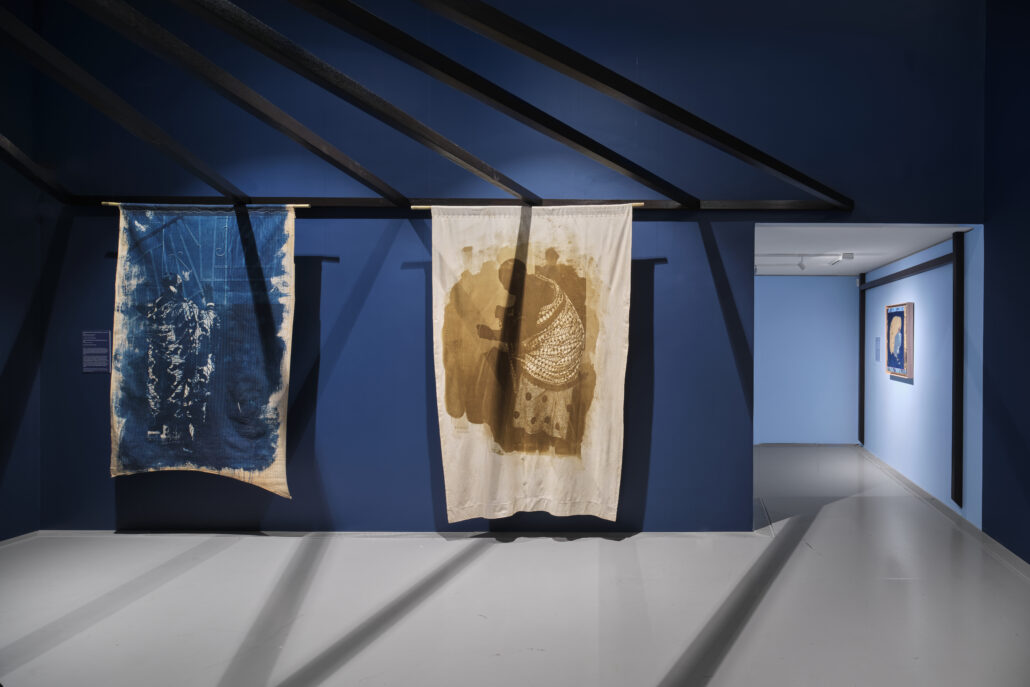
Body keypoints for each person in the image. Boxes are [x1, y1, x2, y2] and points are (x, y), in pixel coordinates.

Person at [474, 258, 585, 452]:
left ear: (518, 276)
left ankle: (517, 430)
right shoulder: (531, 282)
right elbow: (526, 314)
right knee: (499, 356)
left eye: (507, 283)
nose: (506, 289)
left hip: (560, 350)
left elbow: (522, 332)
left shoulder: (533, 290)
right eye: (503, 284)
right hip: (554, 339)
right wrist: (507, 311)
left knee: (503, 359)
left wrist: (490, 334)